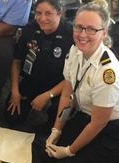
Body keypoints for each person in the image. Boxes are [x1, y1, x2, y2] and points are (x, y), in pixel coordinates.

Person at [33, 0, 119, 163]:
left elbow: (98, 124)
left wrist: (69, 150)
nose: (82, 34)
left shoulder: (108, 74)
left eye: (91, 30)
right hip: (86, 116)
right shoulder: (75, 52)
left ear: (103, 32)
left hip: (114, 130)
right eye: (79, 27)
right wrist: (56, 129)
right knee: (45, 151)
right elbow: (67, 93)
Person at [5, 0, 74, 129]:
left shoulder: (71, 34)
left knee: (56, 125)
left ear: (59, 13)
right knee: (11, 118)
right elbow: (17, 61)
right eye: (38, 13)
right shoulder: (29, 29)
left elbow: (73, 75)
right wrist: (14, 90)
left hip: (60, 85)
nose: (42, 18)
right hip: (33, 80)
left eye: (48, 13)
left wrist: (49, 95)